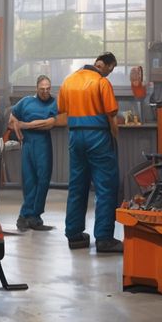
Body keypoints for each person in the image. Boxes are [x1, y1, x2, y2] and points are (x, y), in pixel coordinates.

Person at [58, 52, 123, 253]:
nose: (109, 74)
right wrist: (114, 139)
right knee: (106, 186)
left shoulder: (68, 82)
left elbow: (62, 111)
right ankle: (104, 238)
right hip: (98, 137)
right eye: (111, 70)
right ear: (106, 65)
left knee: (77, 184)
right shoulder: (101, 83)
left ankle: (74, 235)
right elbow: (112, 117)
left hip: (75, 137)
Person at [9, 75, 57, 231]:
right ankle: (27, 216)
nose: (45, 92)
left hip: (43, 144)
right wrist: (17, 126)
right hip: (28, 144)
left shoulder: (53, 102)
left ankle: (33, 216)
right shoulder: (25, 101)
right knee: (29, 180)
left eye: (48, 88)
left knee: (42, 180)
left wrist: (25, 125)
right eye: (42, 89)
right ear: (36, 88)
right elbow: (12, 118)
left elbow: (48, 123)